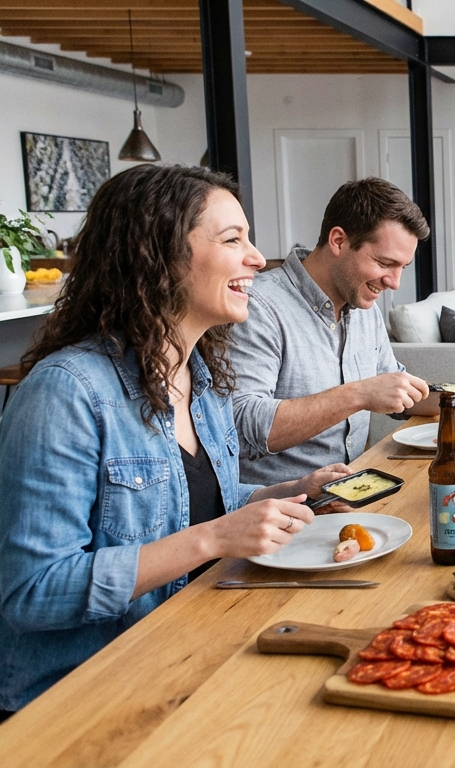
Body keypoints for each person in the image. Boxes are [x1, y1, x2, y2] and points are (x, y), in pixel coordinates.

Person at [0, 165, 350, 715]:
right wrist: (211, 540)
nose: (259, 258)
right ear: (157, 255)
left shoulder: (201, 379)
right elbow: (33, 592)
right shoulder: (65, 394)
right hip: (81, 697)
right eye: (233, 239)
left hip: (182, 654)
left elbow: (196, 507)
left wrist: (292, 490)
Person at [228, 178, 455, 486]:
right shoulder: (257, 307)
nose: (394, 282)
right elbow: (241, 427)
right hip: (284, 509)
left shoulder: (363, 308)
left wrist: (451, 397)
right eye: (384, 263)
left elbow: (395, 391)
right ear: (338, 240)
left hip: (357, 489)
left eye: (402, 267)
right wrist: (359, 394)